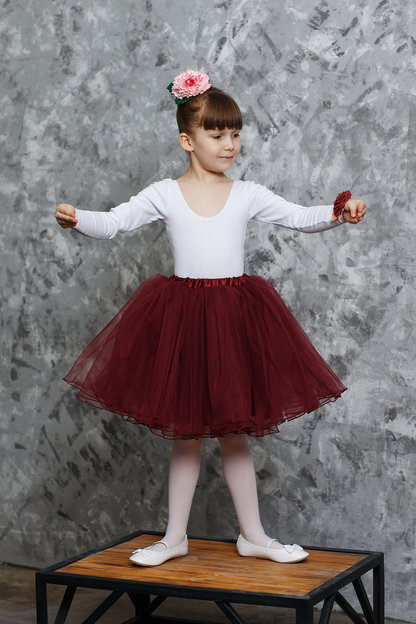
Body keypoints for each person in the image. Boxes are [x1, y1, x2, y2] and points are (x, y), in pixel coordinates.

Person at [55, 69, 366, 567]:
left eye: (235, 134)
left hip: (233, 323)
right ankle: (174, 537)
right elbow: (114, 222)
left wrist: (339, 211)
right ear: (188, 140)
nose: (229, 145)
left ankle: (254, 536)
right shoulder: (164, 193)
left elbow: (298, 216)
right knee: (185, 434)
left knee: (233, 433)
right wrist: (78, 218)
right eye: (217, 134)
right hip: (183, 323)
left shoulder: (246, 193)